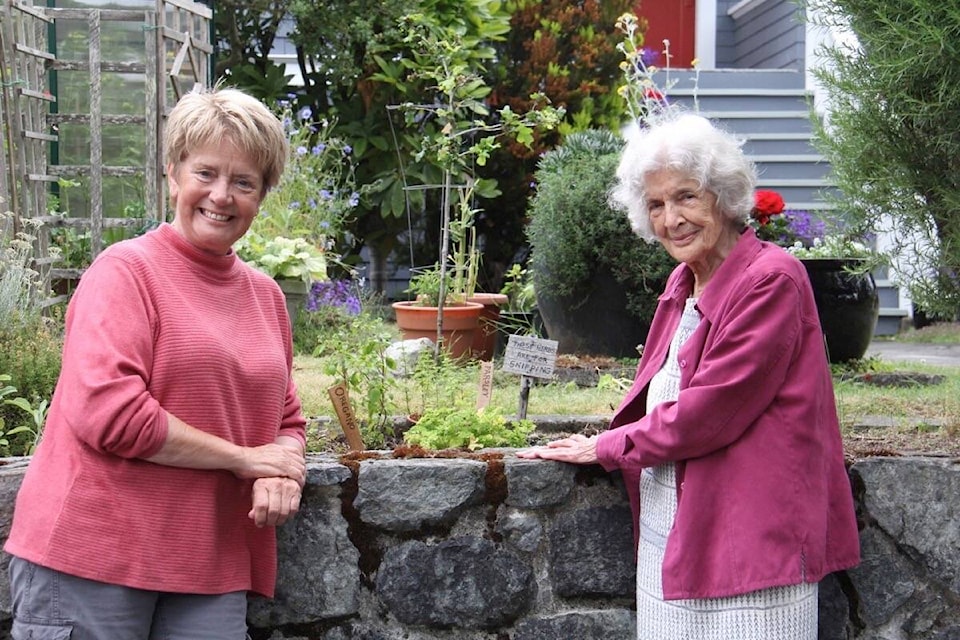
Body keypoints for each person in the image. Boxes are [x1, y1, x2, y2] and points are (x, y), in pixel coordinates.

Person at [518, 113, 860, 639]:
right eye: (656, 205)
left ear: (722, 196)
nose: (671, 218)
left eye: (686, 197)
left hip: (752, 536)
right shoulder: (683, 283)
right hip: (674, 529)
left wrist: (608, 446)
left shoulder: (770, 280)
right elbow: (659, 394)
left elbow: (711, 410)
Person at [5, 86, 307, 639]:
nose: (222, 195)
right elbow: (111, 416)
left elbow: (286, 419)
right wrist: (245, 459)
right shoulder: (125, 273)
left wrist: (282, 469)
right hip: (94, 556)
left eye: (244, 181)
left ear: (263, 194)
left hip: (208, 564)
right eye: (206, 173)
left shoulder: (266, 297)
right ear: (173, 175)